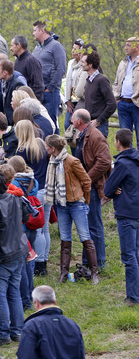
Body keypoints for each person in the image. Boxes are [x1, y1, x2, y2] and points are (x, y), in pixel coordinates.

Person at [43, 134, 97, 283]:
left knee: (85, 237)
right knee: (65, 239)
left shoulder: (72, 161)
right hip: (61, 204)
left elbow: (86, 180)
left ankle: (94, 272)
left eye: (47, 146)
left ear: (53, 148)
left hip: (76, 203)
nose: (45, 148)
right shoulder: (52, 161)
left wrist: (85, 201)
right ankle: (63, 273)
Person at [0, 171, 30, 345]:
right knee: (14, 293)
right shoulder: (16, 199)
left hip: (2, 256)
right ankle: (17, 331)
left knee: (0, 296)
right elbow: (26, 217)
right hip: (18, 250)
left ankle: (3, 333)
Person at [71, 109, 111, 270]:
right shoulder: (84, 134)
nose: (71, 121)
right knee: (88, 224)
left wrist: (87, 178)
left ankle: (99, 263)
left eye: (73, 118)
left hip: (93, 186)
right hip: (87, 185)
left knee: (94, 224)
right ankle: (88, 261)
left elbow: (105, 161)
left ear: (79, 121)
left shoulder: (95, 136)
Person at [103, 129, 139, 306]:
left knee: (129, 256)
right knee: (137, 254)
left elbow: (108, 190)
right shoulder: (136, 160)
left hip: (127, 214)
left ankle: (132, 297)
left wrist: (116, 189)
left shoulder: (122, 164)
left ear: (117, 142)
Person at [15, 120, 50, 275]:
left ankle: (39, 263)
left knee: (36, 229)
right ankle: (44, 259)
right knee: (44, 227)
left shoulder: (22, 150)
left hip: (33, 193)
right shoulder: (41, 144)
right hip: (46, 188)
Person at [32, 22, 67, 133]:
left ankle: (56, 148)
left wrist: (50, 87)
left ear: (42, 31)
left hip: (50, 93)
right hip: (37, 92)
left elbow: (61, 68)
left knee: (51, 124)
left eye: (34, 30)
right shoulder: (37, 48)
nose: (33, 33)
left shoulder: (56, 46)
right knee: (38, 124)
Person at [79, 51, 117, 139]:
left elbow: (112, 104)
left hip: (99, 127)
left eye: (83, 62)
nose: (81, 64)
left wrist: (99, 121)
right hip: (88, 125)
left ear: (90, 65)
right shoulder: (88, 80)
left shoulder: (101, 80)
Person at [114, 37, 139, 146]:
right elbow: (116, 82)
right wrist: (117, 97)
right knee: (124, 139)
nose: (125, 48)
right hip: (123, 103)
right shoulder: (123, 62)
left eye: (128, 45)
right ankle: (128, 162)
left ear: (137, 46)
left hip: (137, 104)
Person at [10, 35, 44, 100]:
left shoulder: (32, 61)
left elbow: (38, 86)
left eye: (12, 45)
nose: (10, 48)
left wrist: (34, 102)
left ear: (19, 46)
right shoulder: (17, 61)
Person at [64, 39, 86, 130]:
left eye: (76, 49)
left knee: (78, 125)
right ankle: (70, 144)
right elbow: (67, 82)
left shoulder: (85, 63)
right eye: (73, 48)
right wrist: (67, 100)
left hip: (81, 99)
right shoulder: (71, 63)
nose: (73, 51)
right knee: (67, 124)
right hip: (71, 98)